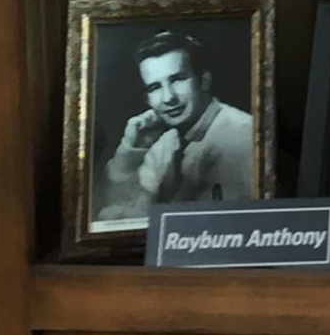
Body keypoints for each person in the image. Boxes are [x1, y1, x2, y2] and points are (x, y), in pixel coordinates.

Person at [97, 31, 253, 221]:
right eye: (155, 87)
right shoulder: (163, 145)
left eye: (177, 79)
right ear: (147, 99)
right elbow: (117, 217)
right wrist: (127, 158)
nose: (168, 97)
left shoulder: (246, 137)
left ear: (203, 80)